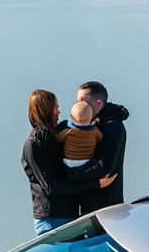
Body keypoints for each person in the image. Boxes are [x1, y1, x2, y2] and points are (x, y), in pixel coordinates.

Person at [21, 89, 116, 235]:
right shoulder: (33, 144)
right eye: (56, 108)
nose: (59, 112)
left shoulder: (56, 136)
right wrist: (96, 184)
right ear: (45, 110)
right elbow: (52, 186)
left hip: (70, 216)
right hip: (51, 220)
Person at [64, 80, 129, 214]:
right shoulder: (86, 125)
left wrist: (71, 174)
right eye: (77, 102)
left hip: (106, 207)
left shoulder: (113, 126)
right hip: (86, 204)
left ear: (98, 103)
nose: (78, 106)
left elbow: (103, 165)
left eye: (82, 101)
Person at [56, 101, 102, 167]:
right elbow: (100, 138)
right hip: (87, 161)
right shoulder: (94, 131)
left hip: (69, 161)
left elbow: (57, 138)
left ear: (72, 117)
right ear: (91, 117)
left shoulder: (69, 131)